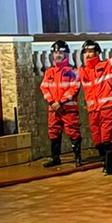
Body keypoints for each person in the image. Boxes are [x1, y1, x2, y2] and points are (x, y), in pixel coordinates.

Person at [79, 40, 112, 175]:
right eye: (86, 52)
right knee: (98, 142)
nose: (88, 55)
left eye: (91, 52)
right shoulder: (82, 71)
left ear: (97, 53)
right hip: (93, 111)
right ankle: (106, 163)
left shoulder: (107, 65)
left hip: (107, 109)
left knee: (107, 140)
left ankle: (109, 170)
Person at [39, 40, 82, 168]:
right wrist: (52, 102)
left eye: (60, 52)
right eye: (55, 52)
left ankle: (78, 158)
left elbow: (75, 88)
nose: (57, 55)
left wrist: (61, 101)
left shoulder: (73, 71)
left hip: (68, 109)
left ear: (66, 54)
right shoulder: (49, 72)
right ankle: (55, 158)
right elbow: (44, 87)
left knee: (73, 132)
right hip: (53, 109)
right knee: (53, 132)